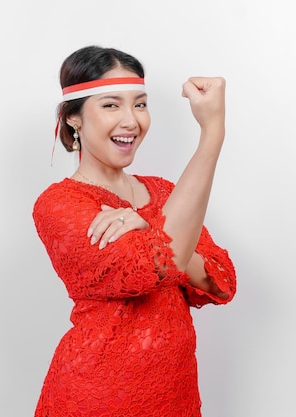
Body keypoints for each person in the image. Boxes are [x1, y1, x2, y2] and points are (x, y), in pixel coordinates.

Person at [32, 45, 237, 417]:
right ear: (74, 118)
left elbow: (218, 281)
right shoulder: (60, 204)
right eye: (111, 105)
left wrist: (148, 226)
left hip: (175, 392)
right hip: (100, 395)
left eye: (140, 104)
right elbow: (160, 265)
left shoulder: (163, 192)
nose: (131, 120)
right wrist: (212, 133)